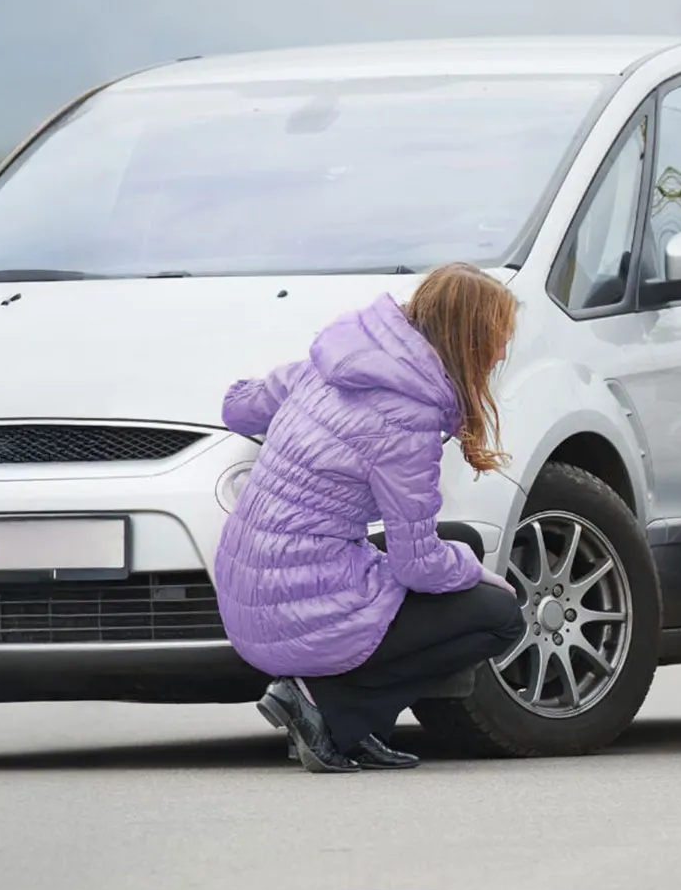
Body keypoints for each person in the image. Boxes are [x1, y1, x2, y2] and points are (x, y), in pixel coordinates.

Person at [213, 263, 527, 773]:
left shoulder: (338, 361)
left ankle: (351, 722)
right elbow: (418, 566)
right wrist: (480, 572)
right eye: (497, 340)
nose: (499, 355)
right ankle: (329, 710)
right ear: (468, 341)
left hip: (245, 583)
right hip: (297, 605)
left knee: (460, 539)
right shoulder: (409, 418)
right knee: (498, 615)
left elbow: (237, 408)